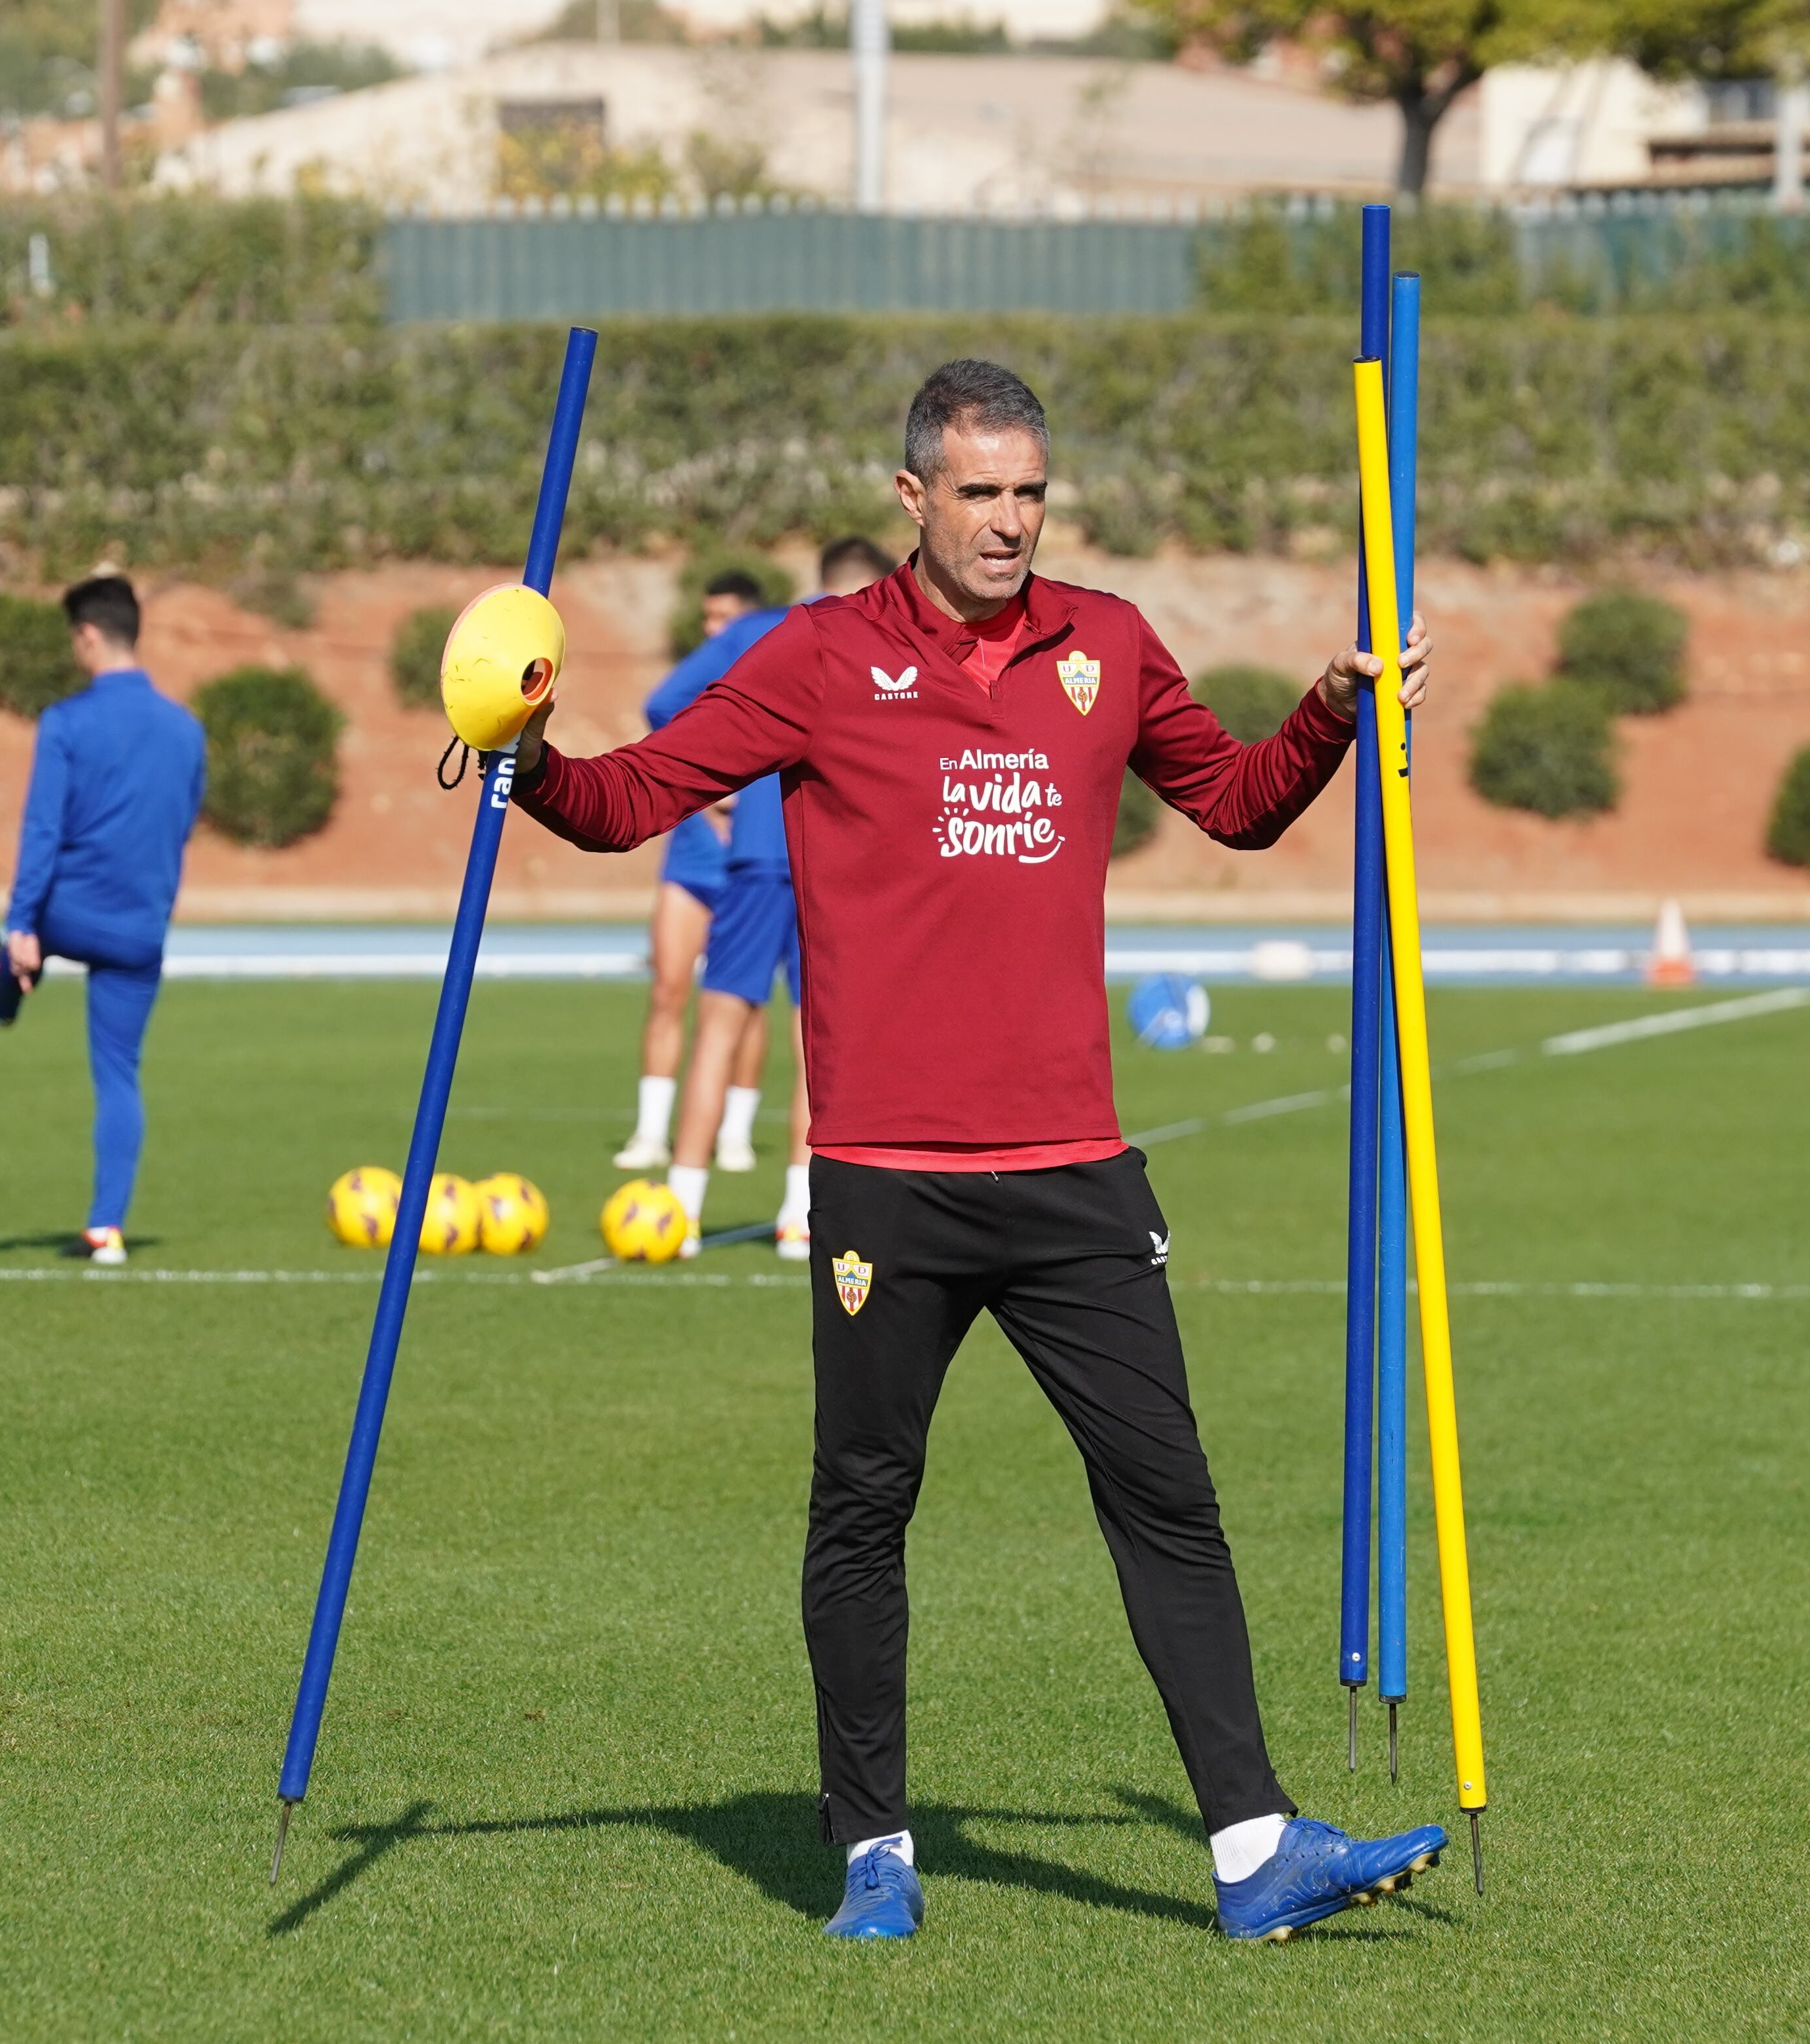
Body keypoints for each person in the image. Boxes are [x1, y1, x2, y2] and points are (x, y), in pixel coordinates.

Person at [504, 362, 1445, 1944]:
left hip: (1075, 1169)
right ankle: (872, 1848)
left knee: (1169, 1499)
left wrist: (1333, 712)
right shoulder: (814, 660)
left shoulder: (1108, 643)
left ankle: (1251, 1851)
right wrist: (519, 759)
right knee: (863, 1508)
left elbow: (1234, 806)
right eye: (981, 493)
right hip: (887, 1175)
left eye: (1029, 493)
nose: (1009, 522)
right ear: (913, 499)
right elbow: (625, 800)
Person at [655, 536, 894, 1262]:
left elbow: (667, 701)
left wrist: (714, 791)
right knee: (814, 1045)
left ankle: (680, 1211)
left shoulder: (763, 632)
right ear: (872, 586)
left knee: (719, 1029)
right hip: (829, 866)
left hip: (763, 859)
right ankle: (799, 1215)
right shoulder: (878, 638)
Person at [0, 576, 206, 1268]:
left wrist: (21, 922)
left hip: (66, 913)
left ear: (87, 635)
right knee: (119, 1075)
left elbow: (42, 828)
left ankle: (4, 981)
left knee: (19, 947)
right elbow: (180, 824)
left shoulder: (66, 723)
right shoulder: (185, 729)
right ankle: (106, 1229)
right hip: (139, 927)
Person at [615, 570, 776, 1173]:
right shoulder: (691, 689)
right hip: (689, 861)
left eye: (727, 618)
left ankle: (733, 1132)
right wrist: (703, 791)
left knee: (741, 1003)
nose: (716, 630)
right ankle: (651, 1133)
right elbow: (658, 711)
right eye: (709, 618)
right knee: (668, 989)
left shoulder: (776, 683)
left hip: (752, 864)